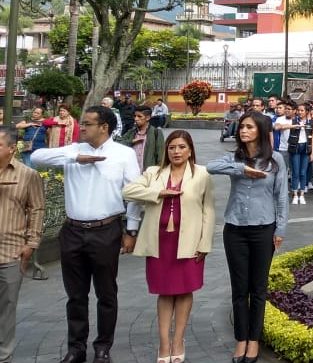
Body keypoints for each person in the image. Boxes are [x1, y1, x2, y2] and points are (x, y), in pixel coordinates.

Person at [30, 105, 143, 363]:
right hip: (72, 231)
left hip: (106, 230)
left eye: (88, 123)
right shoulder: (74, 149)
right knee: (76, 295)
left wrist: (132, 229)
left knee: (106, 293)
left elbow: (135, 194)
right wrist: (74, 159)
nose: (82, 127)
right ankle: (76, 347)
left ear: (104, 127)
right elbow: (37, 157)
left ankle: (103, 347)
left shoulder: (123, 154)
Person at [122, 131, 214, 363]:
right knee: (164, 293)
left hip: (189, 242)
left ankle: (178, 341)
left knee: (184, 291)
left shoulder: (202, 174)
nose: (176, 152)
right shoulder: (154, 173)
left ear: (190, 150)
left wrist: (205, 243)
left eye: (182, 147)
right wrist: (158, 193)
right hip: (159, 243)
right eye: (172, 147)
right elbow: (128, 191)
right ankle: (164, 344)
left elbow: (208, 210)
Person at [206, 111, 287, 363]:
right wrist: (242, 169)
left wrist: (280, 229)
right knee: (239, 289)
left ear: (261, 131)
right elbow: (210, 167)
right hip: (235, 229)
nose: (243, 131)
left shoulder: (275, 160)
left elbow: (281, 196)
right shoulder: (235, 157)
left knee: (258, 288)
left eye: (249, 127)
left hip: (264, 229)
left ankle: (254, 339)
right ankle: (241, 339)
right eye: (242, 127)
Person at [0, 127, 44, 363]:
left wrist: (32, 242)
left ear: (11, 149)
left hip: (11, 250)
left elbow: (36, 209)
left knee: (6, 307)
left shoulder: (27, 175)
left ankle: (3, 355)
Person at [118, 105, 165, 171]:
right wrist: (132, 141)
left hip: (147, 173)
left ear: (148, 117)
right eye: (135, 116)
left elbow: (161, 155)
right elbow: (118, 143)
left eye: (139, 116)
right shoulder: (132, 131)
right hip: (131, 172)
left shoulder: (156, 133)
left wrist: (158, 171)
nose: (136, 119)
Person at [288, 105, 312, 205]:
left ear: (306, 112)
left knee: (303, 172)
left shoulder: (310, 122)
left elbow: (312, 136)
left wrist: (312, 153)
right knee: (295, 172)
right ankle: (295, 194)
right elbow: (284, 127)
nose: (300, 112)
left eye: (302, 110)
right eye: (298, 110)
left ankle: (302, 194)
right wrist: (296, 126)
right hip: (296, 147)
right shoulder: (293, 120)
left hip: (306, 148)